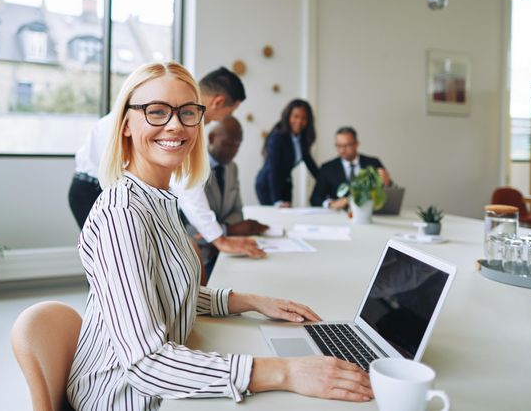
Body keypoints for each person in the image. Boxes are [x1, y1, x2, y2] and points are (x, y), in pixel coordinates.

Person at [66, 61, 372, 410]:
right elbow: (146, 365)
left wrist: (252, 301)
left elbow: (168, 293)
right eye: (156, 112)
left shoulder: (156, 199)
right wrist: (288, 372)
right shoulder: (123, 216)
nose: (175, 125)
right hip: (121, 398)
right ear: (125, 125)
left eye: (187, 113)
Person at [68, 67, 265, 259]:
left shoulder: (187, 122)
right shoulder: (119, 207)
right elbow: (187, 188)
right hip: (92, 188)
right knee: (111, 261)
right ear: (218, 102)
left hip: (125, 189)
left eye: (186, 112)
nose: (174, 125)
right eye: (230, 112)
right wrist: (219, 239)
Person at [186, 116, 268, 282]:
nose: (233, 150)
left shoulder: (232, 168)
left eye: (238, 145)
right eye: (229, 144)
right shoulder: (192, 168)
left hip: (229, 252)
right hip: (199, 258)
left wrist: (228, 229)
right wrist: (228, 231)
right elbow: (189, 227)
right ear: (211, 138)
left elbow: (237, 211)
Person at [254, 99, 320, 207]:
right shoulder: (277, 137)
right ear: (288, 116)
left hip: (286, 183)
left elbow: (310, 164)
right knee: (276, 218)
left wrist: (327, 182)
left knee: (288, 217)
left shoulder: (301, 139)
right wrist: (277, 200)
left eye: (304, 118)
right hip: (268, 184)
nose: (299, 121)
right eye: (296, 116)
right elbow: (273, 169)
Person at [310, 126, 392, 209]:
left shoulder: (373, 163)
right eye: (338, 146)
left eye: (347, 145)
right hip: (338, 215)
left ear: (357, 144)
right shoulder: (327, 168)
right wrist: (331, 204)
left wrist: (387, 183)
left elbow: (391, 191)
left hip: (368, 212)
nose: (342, 150)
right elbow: (315, 198)